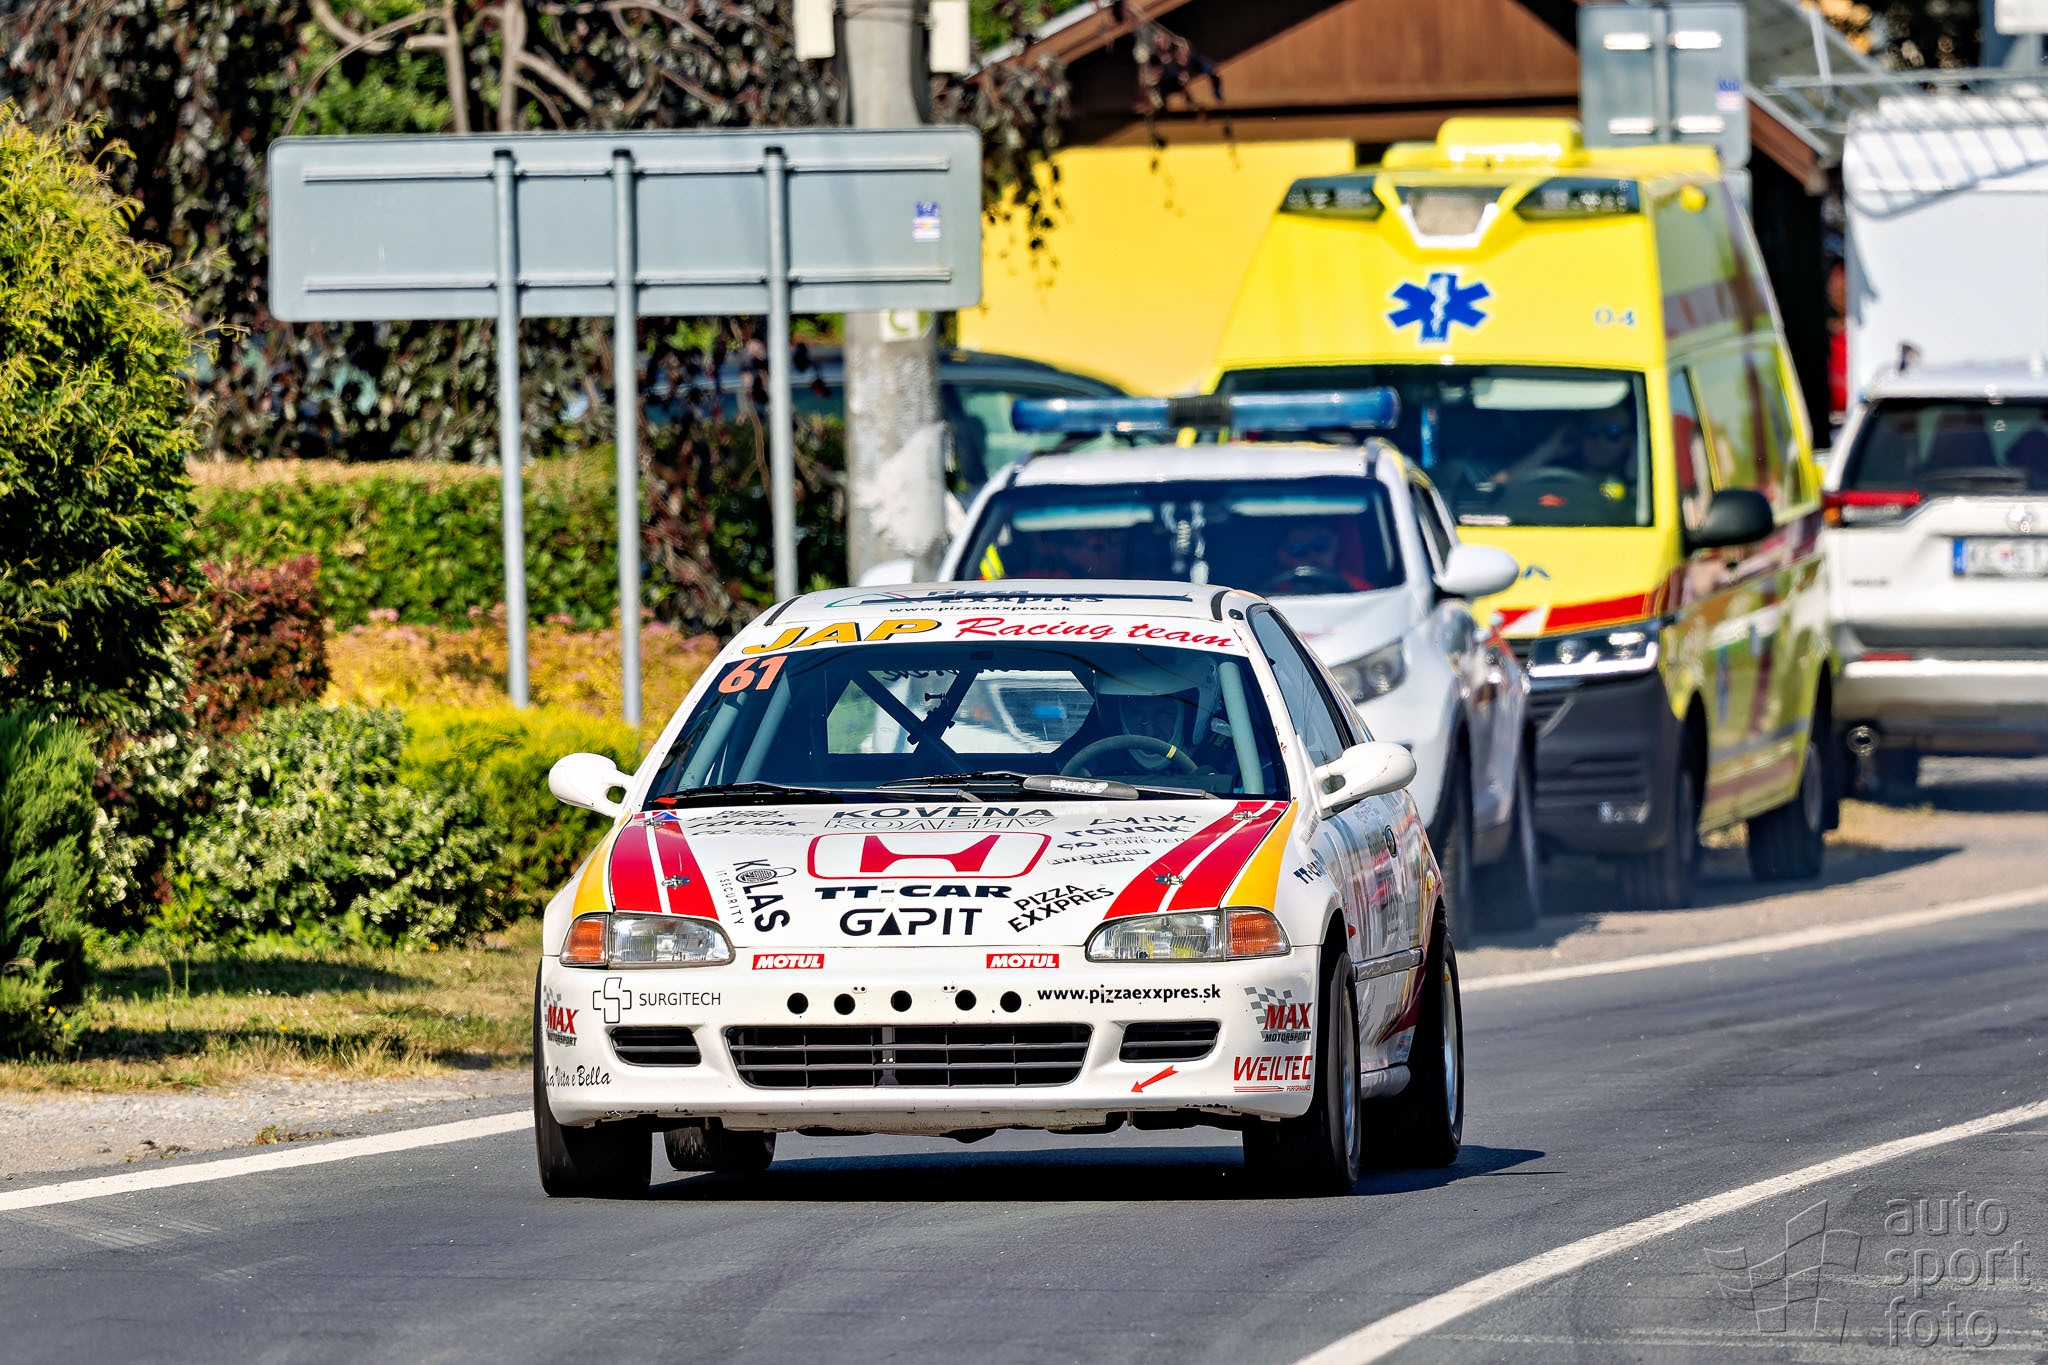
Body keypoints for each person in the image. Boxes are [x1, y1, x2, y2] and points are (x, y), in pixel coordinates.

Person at [1491, 402, 1639, 505]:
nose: (1600, 440)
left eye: (1613, 433)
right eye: (1592, 430)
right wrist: (1548, 449)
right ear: (1579, 434)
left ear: (1630, 441)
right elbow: (1492, 491)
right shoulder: (1550, 479)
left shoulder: (1639, 492)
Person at [1267, 517, 1368, 592]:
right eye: (1299, 550)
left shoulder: (1363, 592)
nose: (1313, 556)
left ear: (1335, 544)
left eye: (1321, 545)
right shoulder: (1272, 598)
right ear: (1283, 556)